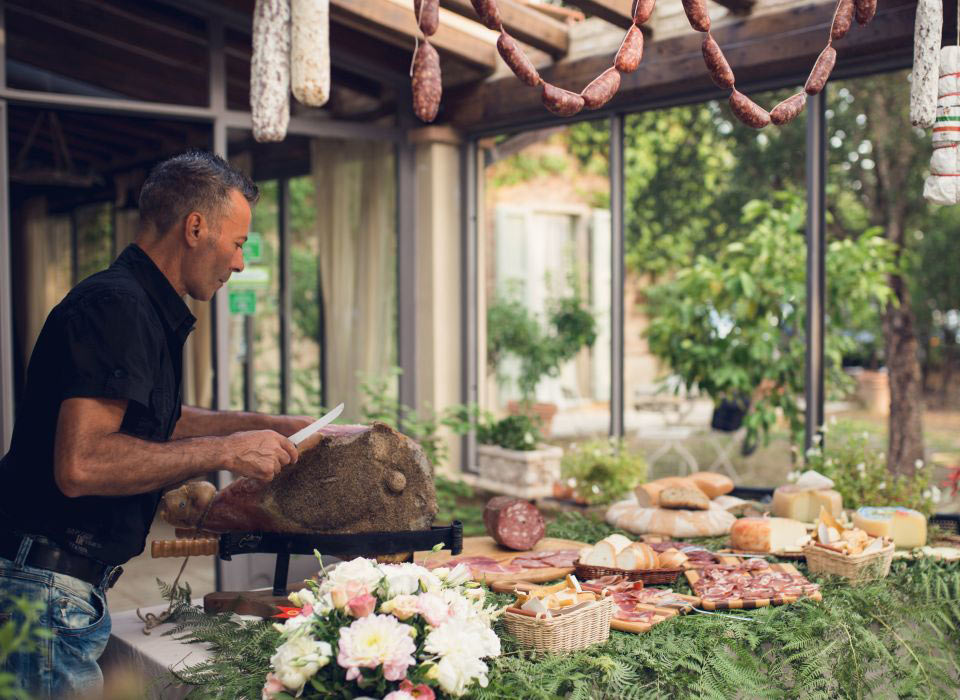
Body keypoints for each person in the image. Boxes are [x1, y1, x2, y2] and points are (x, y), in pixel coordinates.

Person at [0, 150, 313, 698]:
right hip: (42, 585)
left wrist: (268, 423)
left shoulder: (139, 304)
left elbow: (152, 421)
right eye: (238, 243)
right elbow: (82, 464)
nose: (240, 262)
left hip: (55, 584)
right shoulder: (116, 306)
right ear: (196, 227)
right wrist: (226, 451)